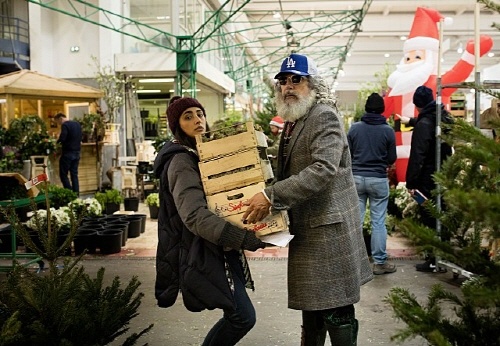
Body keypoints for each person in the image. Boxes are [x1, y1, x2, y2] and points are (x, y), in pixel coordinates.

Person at [242, 53, 373, 345]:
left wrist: (270, 195)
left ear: (312, 84)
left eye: (296, 80)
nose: (288, 87)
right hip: (311, 226)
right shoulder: (296, 119)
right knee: (313, 306)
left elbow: (323, 168)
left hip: (328, 229)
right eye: (284, 81)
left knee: (336, 307)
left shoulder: (323, 115)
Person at [153, 96, 266, 346]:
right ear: (176, 126)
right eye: (188, 117)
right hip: (200, 248)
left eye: (200, 114)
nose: (198, 120)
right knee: (242, 316)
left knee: (237, 314)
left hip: (213, 245)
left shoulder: (199, 154)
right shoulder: (181, 160)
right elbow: (193, 214)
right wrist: (240, 237)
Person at [381, 6, 492, 183]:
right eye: (408, 58)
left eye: (416, 57)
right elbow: (382, 110)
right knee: (411, 180)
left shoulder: (436, 83)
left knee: (426, 181)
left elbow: (458, 74)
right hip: (404, 149)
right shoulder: (398, 87)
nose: (410, 62)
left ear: (430, 56)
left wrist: (470, 54)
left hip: (432, 151)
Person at [404, 85, 453, 272]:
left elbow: (418, 155)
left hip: (428, 179)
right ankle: (443, 257)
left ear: (418, 106)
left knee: (429, 218)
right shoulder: (443, 118)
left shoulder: (424, 124)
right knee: (442, 216)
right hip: (445, 175)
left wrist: (411, 182)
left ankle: (433, 260)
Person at [347, 93, 397, 275]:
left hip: (356, 178)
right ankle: (379, 263)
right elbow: (392, 158)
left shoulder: (354, 129)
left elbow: (347, 154)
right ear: (382, 110)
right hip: (378, 179)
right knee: (378, 222)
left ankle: (355, 262)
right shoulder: (388, 131)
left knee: (356, 221)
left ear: (366, 108)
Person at [55, 112, 82, 194]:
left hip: (68, 153)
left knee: (63, 175)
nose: (58, 124)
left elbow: (63, 138)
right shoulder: (77, 124)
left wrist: (57, 142)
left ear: (60, 119)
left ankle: (69, 193)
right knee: (74, 175)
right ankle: (76, 194)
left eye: (58, 122)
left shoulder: (65, 125)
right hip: (77, 153)